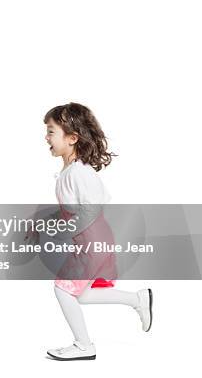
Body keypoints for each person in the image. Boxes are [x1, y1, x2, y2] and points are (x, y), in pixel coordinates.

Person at [40, 103, 152, 361]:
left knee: (63, 289)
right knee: (83, 294)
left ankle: (83, 345)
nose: (46, 137)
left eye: (51, 131)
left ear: (72, 137)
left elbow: (92, 206)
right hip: (92, 241)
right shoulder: (68, 172)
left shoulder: (79, 172)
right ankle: (138, 299)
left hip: (91, 241)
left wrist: (66, 229)